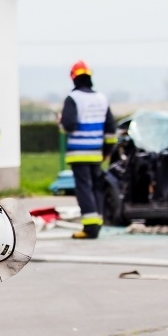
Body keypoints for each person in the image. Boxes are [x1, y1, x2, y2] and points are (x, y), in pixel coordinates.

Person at [60, 60, 117, 239]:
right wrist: (107, 151)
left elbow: (68, 125)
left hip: (78, 152)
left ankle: (90, 228)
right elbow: (111, 129)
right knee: (96, 188)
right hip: (97, 153)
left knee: (84, 188)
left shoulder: (73, 98)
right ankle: (97, 223)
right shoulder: (101, 98)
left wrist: (60, 123)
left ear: (74, 78)